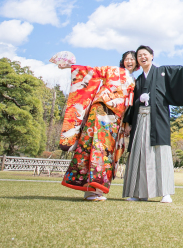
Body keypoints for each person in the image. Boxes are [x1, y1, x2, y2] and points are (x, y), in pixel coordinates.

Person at [122, 45, 183, 203]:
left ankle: (166, 193)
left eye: (145, 54)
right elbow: (129, 103)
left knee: (161, 153)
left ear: (152, 56)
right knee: (139, 153)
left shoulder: (163, 71)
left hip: (158, 119)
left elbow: (182, 72)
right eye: (139, 56)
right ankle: (138, 193)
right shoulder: (137, 80)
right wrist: (127, 123)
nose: (142, 58)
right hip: (140, 120)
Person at [55, 51, 137, 201]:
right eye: (127, 59)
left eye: (133, 59)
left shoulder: (134, 80)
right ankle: (91, 190)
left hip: (116, 119)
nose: (130, 61)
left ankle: (94, 190)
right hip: (101, 111)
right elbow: (90, 71)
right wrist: (69, 67)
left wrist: (126, 123)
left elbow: (130, 105)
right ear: (123, 61)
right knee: (95, 146)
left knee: (107, 152)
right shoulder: (112, 70)